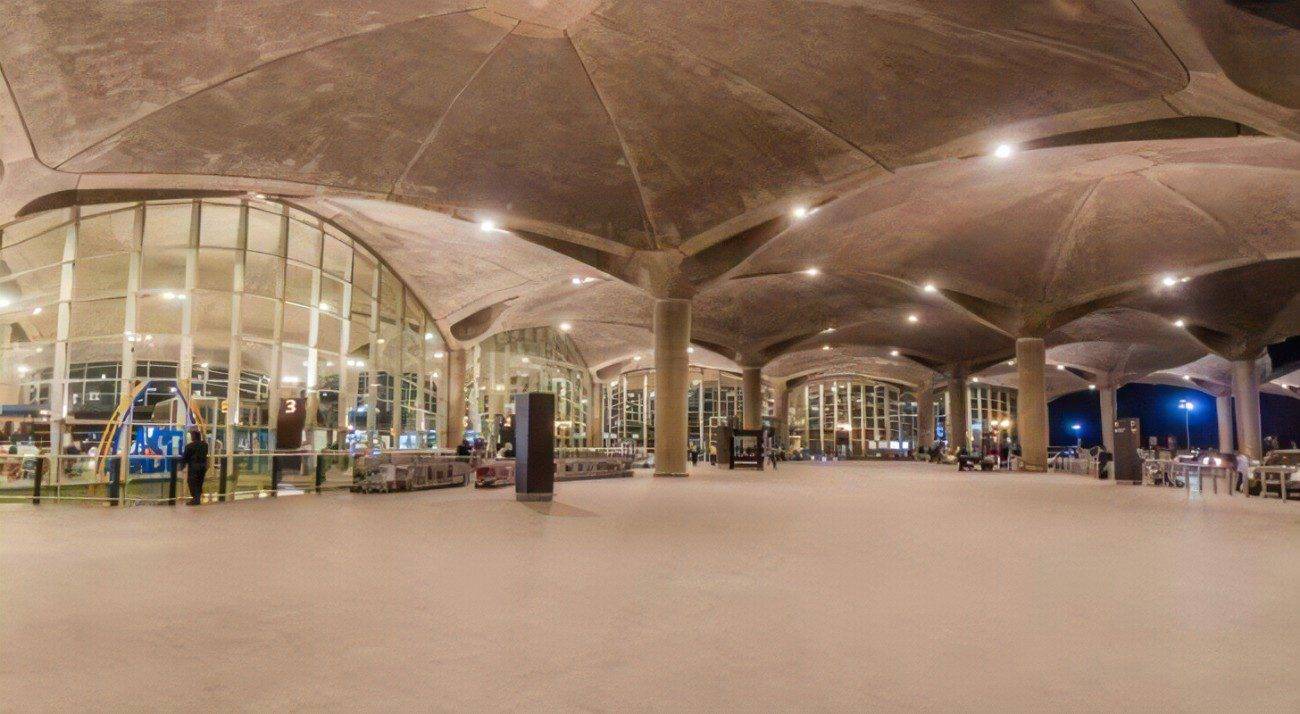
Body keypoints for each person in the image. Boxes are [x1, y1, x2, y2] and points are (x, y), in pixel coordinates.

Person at [180, 430, 209, 506]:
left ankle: (195, 499)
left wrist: (182, 466)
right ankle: (197, 498)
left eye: (192, 436)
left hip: (194, 467)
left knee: (192, 482)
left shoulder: (189, 446)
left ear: (193, 437)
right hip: (203, 466)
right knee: (199, 482)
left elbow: (185, 457)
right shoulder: (205, 445)